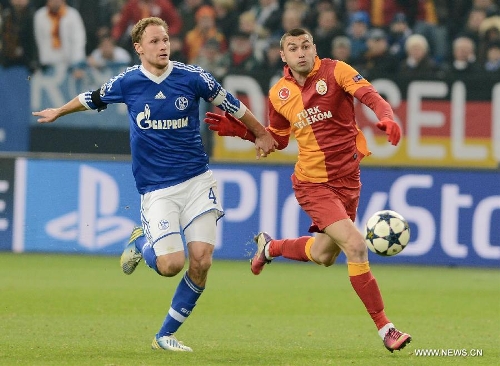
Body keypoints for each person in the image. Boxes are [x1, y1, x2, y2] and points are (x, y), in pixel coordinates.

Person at [32, 16, 277, 352]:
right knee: (170, 266)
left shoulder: (193, 77)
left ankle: (165, 335)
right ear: (138, 48)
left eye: (165, 40)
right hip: (158, 190)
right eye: (155, 42)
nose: (163, 46)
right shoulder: (128, 82)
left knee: (202, 260)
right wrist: (59, 111)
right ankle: (141, 244)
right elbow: (91, 98)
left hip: (197, 180)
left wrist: (261, 133)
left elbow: (233, 105)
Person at [204, 28, 412, 353]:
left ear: (314, 48)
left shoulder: (336, 71)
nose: (300, 52)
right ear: (283, 56)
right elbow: (278, 139)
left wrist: (387, 117)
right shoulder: (279, 94)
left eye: (305, 46)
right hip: (312, 184)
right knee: (356, 245)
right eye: (292, 48)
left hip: (348, 182)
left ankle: (271, 247)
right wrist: (245, 133)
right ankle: (386, 328)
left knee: (324, 255)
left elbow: (372, 97)